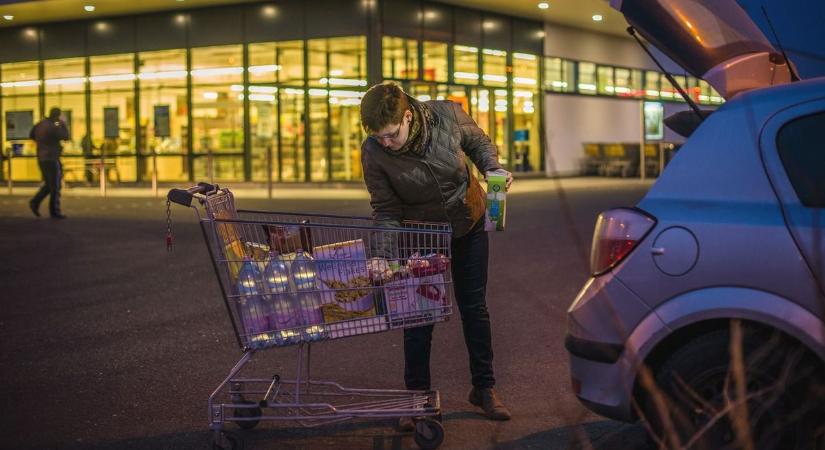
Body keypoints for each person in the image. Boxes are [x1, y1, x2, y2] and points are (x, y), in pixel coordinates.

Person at [359, 82, 513, 430]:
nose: (385, 142)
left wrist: (492, 168)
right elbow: (385, 208)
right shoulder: (374, 151)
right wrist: (381, 255)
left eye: (391, 134)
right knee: (417, 317)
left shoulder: (448, 114)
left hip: (467, 222)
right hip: (421, 233)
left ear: (408, 116)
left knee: (474, 307)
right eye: (378, 136)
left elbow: (478, 143)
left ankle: (484, 387)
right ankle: (417, 397)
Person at [29, 107, 70, 219]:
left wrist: (42, 144)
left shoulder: (40, 124)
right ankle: (54, 211)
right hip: (52, 158)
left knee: (49, 184)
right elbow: (66, 136)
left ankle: (35, 202)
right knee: (55, 185)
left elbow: (31, 135)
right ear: (57, 115)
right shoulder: (54, 126)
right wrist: (63, 124)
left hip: (42, 157)